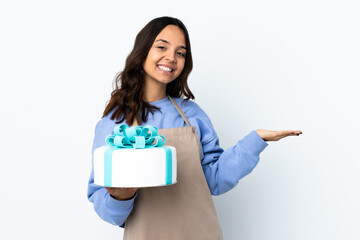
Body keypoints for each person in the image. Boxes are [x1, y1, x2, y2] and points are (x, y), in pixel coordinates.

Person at [87, 16, 302, 239]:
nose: (171, 57)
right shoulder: (114, 123)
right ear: (142, 52)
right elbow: (107, 210)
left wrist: (256, 140)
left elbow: (214, 180)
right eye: (162, 47)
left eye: (180, 53)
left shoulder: (192, 114)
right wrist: (120, 197)